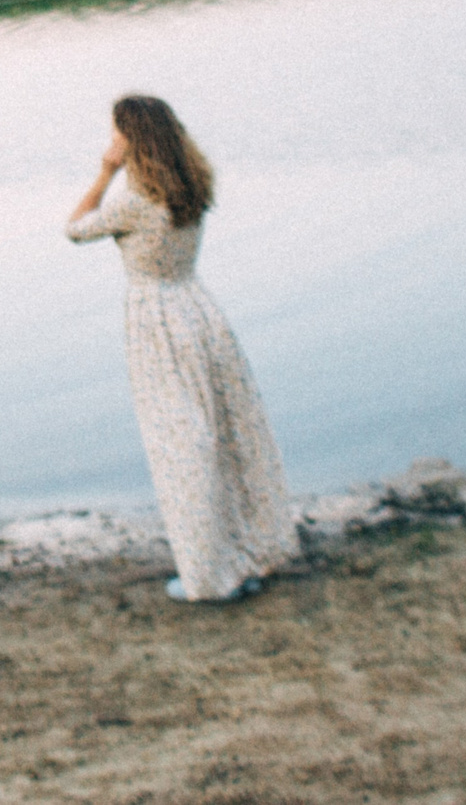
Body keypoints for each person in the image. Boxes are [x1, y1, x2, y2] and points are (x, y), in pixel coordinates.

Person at [68, 93, 297, 602]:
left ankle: (209, 575)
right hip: (199, 309)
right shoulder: (191, 183)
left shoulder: (132, 201)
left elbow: (74, 228)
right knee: (225, 431)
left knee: (181, 447)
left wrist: (104, 173)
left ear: (133, 139)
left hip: (158, 324)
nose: (111, 143)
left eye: (116, 134)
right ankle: (248, 552)